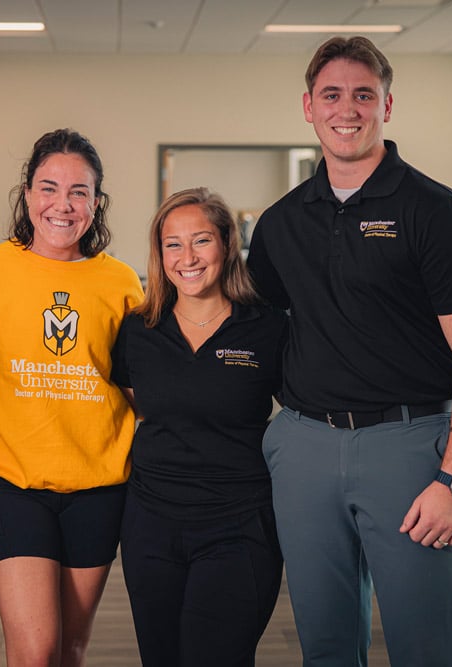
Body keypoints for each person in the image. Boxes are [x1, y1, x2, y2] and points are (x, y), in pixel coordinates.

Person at [246, 36, 452, 667]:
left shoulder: (437, 213)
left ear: (387, 104)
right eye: (332, 95)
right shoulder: (281, 223)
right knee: (326, 644)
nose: (348, 109)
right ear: (308, 107)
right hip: (305, 446)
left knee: (428, 647)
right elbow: (268, 323)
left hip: (410, 449)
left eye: (364, 94)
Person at [0, 128, 143, 667]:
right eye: (48, 187)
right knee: (35, 649)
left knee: (69, 647)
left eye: (79, 192)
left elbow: (141, 385)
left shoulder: (121, 283)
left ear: (96, 202)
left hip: (100, 484)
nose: (62, 205)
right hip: (12, 480)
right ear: (26, 193)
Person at [111, 187, 286, 667]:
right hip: (150, 525)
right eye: (173, 244)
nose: (187, 258)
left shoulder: (267, 328)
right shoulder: (138, 330)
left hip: (239, 524)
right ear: (159, 253)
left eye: (201, 241)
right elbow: (133, 404)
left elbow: (304, 413)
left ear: (227, 245)